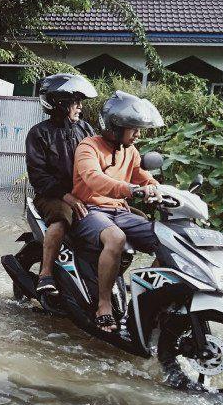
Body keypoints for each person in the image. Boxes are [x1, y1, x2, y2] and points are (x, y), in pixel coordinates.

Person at [70, 90, 164, 332]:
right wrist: (130, 189)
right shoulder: (88, 147)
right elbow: (93, 178)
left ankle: (146, 304)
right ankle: (104, 305)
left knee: (166, 240)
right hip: (90, 210)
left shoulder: (130, 151)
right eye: (134, 129)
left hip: (119, 212)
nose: (138, 134)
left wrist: (157, 188)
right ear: (115, 127)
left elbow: (143, 177)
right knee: (116, 238)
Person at [25, 74, 98, 302]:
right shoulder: (39, 133)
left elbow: (99, 164)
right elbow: (39, 177)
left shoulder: (86, 130)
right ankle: (45, 274)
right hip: (51, 196)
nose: (80, 107)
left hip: (83, 194)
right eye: (75, 102)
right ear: (60, 103)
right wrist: (67, 197)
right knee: (61, 218)